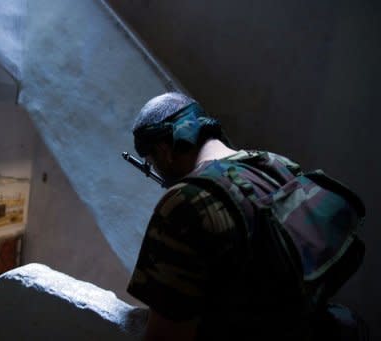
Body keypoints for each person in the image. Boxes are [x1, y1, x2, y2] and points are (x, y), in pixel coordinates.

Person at [126, 92, 366, 340]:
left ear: (164, 150)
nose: (155, 168)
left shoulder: (184, 202)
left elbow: (165, 335)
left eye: (152, 161)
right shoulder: (274, 163)